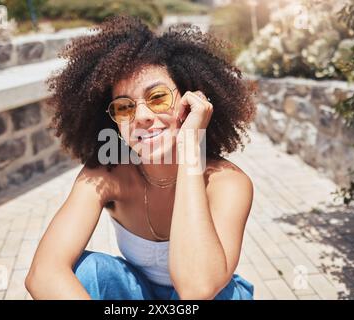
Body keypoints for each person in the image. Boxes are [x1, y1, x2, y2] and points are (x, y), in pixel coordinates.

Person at [25, 14, 256, 300]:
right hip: (134, 296)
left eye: (158, 97)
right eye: (124, 108)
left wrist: (190, 148)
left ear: (192, 101)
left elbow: (198, 289)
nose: (142, 117)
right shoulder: (105, 175)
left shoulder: (226, 183)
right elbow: (44, 274)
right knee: (89, 271)